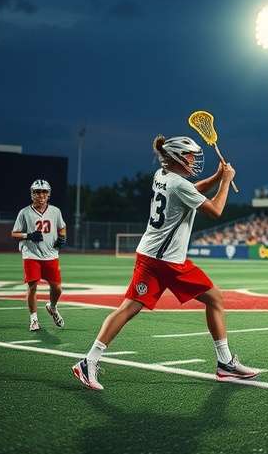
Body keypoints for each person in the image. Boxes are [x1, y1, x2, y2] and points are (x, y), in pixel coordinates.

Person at [72, 135, 258, 390]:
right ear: (178, 158)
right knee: (213, 299)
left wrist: (216, 179)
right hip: (166, 261)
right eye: (191, 156)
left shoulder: (162, 175)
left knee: (130, 308)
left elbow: (191, 190)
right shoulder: (178, 185)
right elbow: (215, 211)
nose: (194, 160)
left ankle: (89, 361)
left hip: (154, 257)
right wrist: (225, 182)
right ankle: (225, 364)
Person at [11, 179, 67, 331]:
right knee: (33, 286)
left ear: (48, 194)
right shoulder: (24, 212)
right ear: (32, 194)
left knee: (57, 288)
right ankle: (34, 319)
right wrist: (28, 235)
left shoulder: (55, 211)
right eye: (37, 192)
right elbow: (14, 233)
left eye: (44, 192)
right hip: (31, 254)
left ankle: (53, 307)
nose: (41, 195)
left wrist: (62, 238)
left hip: (50, 254)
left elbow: (62, 227)